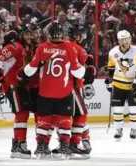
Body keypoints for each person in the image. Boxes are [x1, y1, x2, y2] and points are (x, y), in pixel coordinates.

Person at [19, 22, 96, 158]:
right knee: (65, 119)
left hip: (44, 92)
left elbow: (30, 69)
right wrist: (88, 72)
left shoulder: (42, 47)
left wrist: (23, 72)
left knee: (45, 120)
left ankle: (41, 146)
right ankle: (66, 145)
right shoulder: (69, 48)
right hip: (65, 91)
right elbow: (78, 72)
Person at [0, 25, 33, 159]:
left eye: (30, 34)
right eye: (26, 34)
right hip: (14, 85)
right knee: (21, 114)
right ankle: (19, 144)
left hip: (18, 85)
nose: (29, 36)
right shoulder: (16, 46)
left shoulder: (23, 47)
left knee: (23, 113)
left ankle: (17, 144)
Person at [52, 24, 94, 157]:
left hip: (56, 86)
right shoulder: (78, 49)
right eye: (78, 34)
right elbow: (81, 71)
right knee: (80, 115)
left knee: (62, 116)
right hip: (73, 86)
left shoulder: (59, 46)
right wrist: (90, 69)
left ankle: (64, 143)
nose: (81, 36)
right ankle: (74, 143)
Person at [105, 30, 136, 140]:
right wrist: (110, 81)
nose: (127, 41)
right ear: (119, 41)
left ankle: (134, 129)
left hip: (132, 85)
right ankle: (118, 129)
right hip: (118, 85)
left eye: (128, 38)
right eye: (124, 39)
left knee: (134, 109)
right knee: (117, 109)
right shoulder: (113, 52)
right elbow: (111, 68)